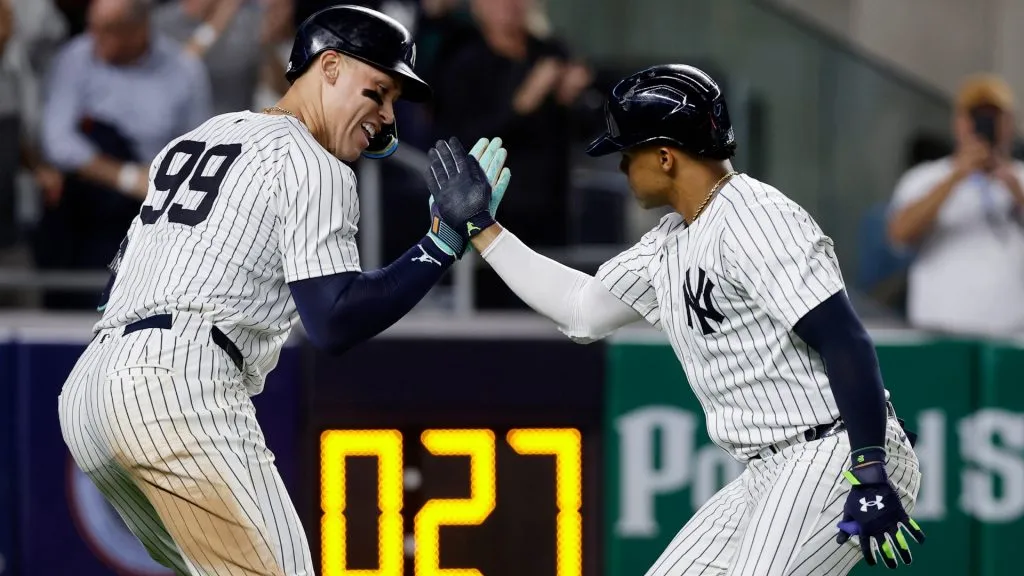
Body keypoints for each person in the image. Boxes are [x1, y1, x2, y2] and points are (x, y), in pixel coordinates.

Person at [56, 5, 507, 575]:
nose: (388, 117)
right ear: (331, 65)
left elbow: (115, 282)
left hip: (91, 392)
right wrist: (441, 244)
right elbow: (335, 320)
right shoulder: (313, 163)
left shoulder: (200, 137)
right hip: (175, 385)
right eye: (379, 91)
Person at [462, 64, 926, 574]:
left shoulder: (754, 217)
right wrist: (485, 230)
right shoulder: (671, 241)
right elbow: (582, 309)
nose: (621, 167)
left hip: (836, 451)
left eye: (628, 153)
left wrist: (870, 465)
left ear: (664, 156)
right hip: (768, 472)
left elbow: (845, 339)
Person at [37, 0, 213, 309]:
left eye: (107, 31)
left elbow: (202, 149)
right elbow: (57, 140)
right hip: (87, 217)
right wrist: (127, 177)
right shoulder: (76, 58)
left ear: (139, 29)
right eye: (92, 27)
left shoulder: (184, 69)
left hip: (159, 214)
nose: (94, 39)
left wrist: (156, 182)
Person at [887, 73, 1024, 338]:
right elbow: (899, 234)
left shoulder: (1020, 178)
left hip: (1014, 336)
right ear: (960, 123)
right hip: (939, 335)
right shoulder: (926, 178)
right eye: (977, 117)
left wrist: (1014, 190)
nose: (985, 126)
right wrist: (956, 176)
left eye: (994, 118)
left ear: (1009, 124)